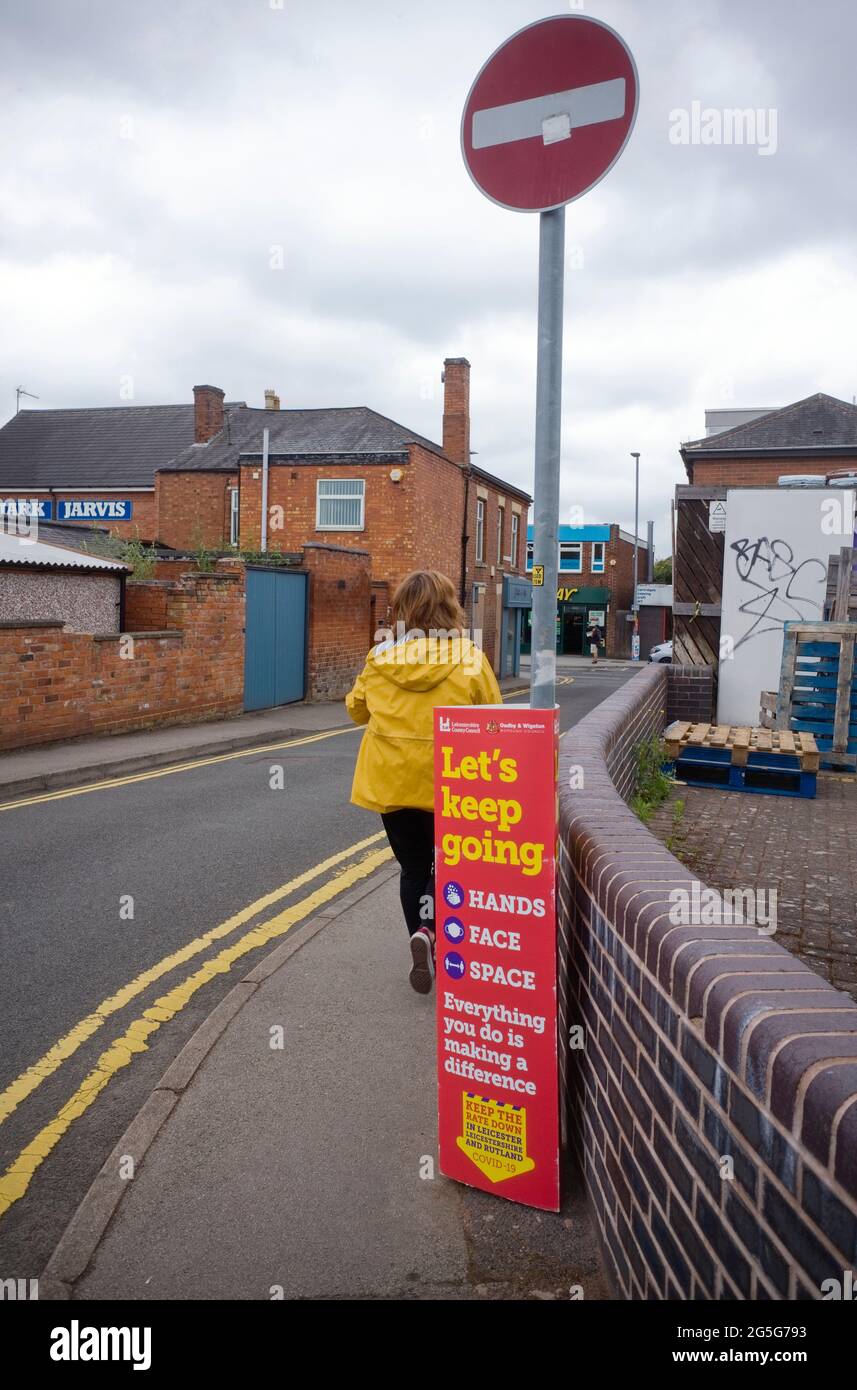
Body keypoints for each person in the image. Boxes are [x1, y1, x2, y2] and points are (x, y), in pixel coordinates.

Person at [345, 570, 501, 994]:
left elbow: (357, 712)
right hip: (452, 783)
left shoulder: (381, 659)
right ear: (449, 608)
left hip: (393, 784)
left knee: (413, 867)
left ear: (404, 611)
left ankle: (422, 937)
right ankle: (436, 936)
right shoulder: (469, 658)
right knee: (451, 865)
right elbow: (494, 719)